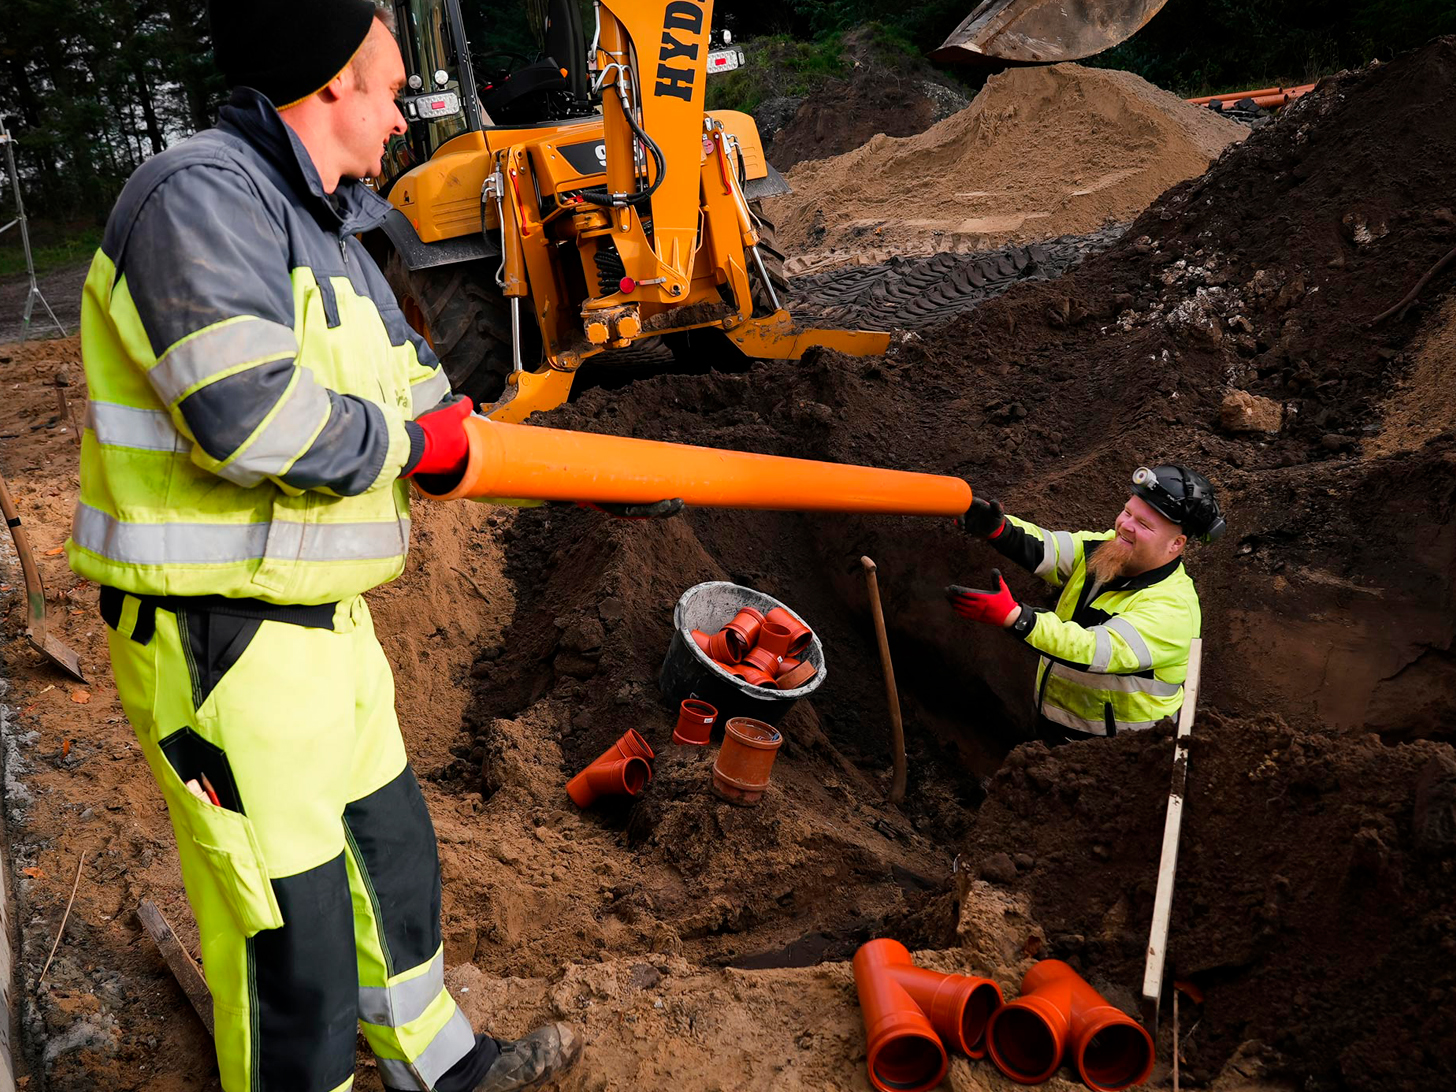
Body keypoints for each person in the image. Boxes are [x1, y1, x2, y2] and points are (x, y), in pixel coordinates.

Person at [64, 1, 622, 1088]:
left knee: (391, 866)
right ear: (332, 87)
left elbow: (439, 428)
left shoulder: (336, 232)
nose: (407, 117)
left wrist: (577, 485)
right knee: (296, 938)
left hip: (327, 629)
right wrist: (413, 439)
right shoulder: (200, 199)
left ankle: (439, 1069)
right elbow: (245, 415)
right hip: (223, 637)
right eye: (394, 87)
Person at [947, 465, 1224, 743]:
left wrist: (1017, 618)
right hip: (1053, 730)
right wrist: (1001, 530)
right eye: (1128, 512)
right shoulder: (1109, 548)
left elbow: (1094, 650)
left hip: (1122, 754)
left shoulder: (1172, 608)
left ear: (1176, 543)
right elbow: (1050, 549)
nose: (1125, 526)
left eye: (1143, 525)